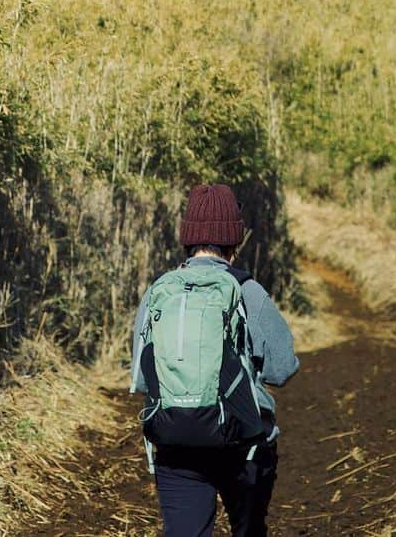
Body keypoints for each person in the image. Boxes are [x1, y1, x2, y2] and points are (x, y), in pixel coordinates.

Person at [130, 183, 299, 537]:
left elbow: (143, 379)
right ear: (234, 239)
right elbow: (282, 369)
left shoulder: (158, 292)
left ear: (187, 238)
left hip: (175, 439)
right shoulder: (248, 291)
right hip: (242, 445)